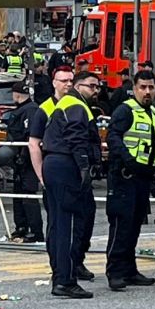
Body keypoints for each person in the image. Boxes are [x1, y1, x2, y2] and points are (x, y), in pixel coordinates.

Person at [28, 66, 96, 281]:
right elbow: (34, 144)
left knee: (81, 219)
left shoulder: (73, 104)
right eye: (63, 80)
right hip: (64, 169)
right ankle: (63, 271)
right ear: (54, 83)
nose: (67, 84)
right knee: (62, 223)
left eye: (70, 79)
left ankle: (73, 264)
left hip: (64, 168)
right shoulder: (50, 108)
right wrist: (41, 176)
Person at [41, 71, 103, 299]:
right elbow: (76, 137)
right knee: (68, 224)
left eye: (97, 87)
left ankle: (60, 275)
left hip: (55, 163)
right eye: (91, 86)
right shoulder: (76, 104)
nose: (96, 91)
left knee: (58, 224)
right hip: (65, 164)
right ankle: (65, 281)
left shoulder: (66, 104)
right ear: (79, 86)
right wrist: (84, 165)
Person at [104, 70, 155, 290]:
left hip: (144, 177)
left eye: (151, 88)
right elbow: (113, 137)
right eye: (143, 87)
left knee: (135, 226)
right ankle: (115, 272)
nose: (147, 91)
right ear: (135, 88)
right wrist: (128, 160)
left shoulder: (154, 113)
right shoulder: (125, 110)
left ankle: (129, 270)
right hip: (124, 176)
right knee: (121, 225)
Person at [6, 81, 43, 243]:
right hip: (18, 159)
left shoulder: (30, 110)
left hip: (27, 160)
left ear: (17, 94)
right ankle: (21, 227)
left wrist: (23, 156)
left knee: (28, 195)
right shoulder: (22, 110)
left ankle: (35, 231)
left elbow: (29, 136)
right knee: (18, 194)